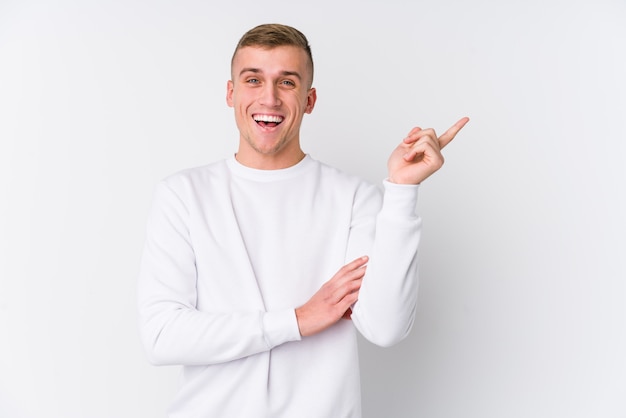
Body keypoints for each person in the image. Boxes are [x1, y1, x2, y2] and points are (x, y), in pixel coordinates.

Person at [138, 23, 468, 418]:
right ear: (231, 93)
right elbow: (161, 337)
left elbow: (385, 328)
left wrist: (400, 191)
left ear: (309, 100)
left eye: (287, 83)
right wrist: (296, 321)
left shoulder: (354, 198)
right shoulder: (183, 195)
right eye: (253, 79)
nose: (270, 98)